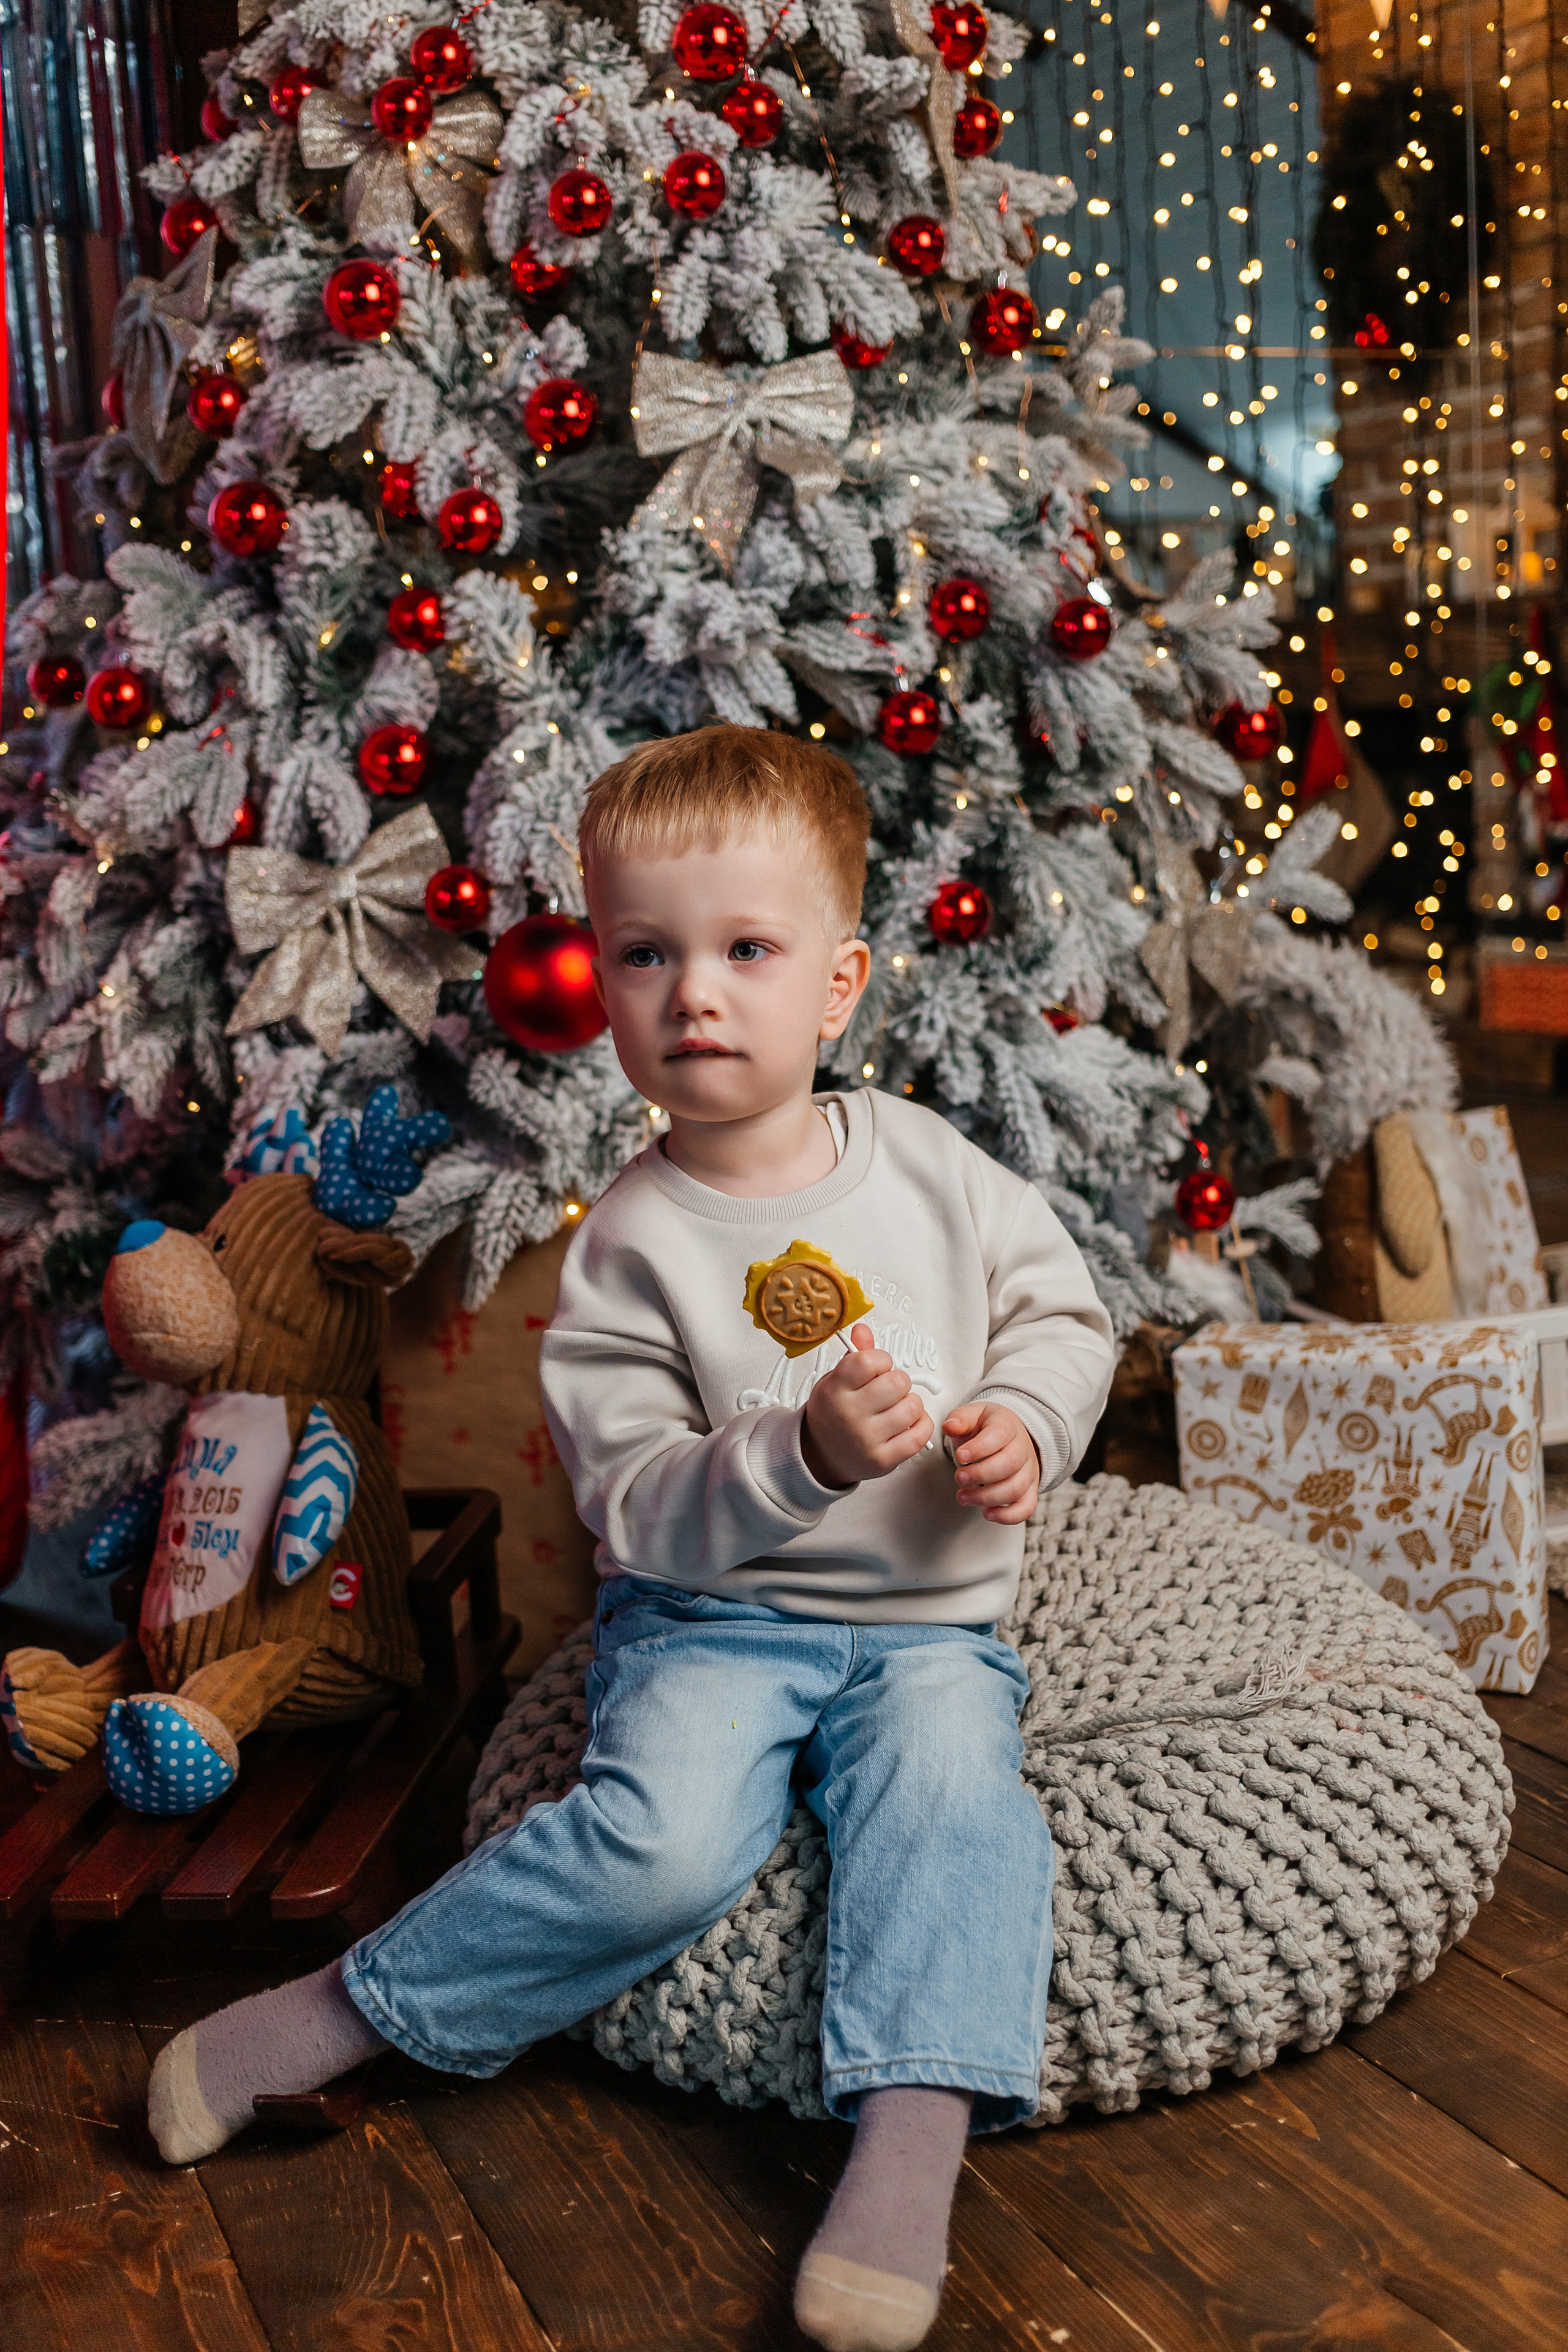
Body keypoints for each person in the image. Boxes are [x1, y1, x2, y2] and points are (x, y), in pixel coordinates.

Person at [148, 725, 1115, 2352]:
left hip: (930, 1624)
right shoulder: (631, 1256)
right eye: (649, 954)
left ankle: (909, 2140)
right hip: (713, 1620)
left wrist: (1026, 1417)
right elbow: (633, 1504)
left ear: (838, 984)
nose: (695, 996)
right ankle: (329, 2018)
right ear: (604, 991)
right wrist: (794, 1453)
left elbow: (1064, 1316)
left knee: (956, 1806)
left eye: (747, 950)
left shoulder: (937, 1174)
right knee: (660, 1842)